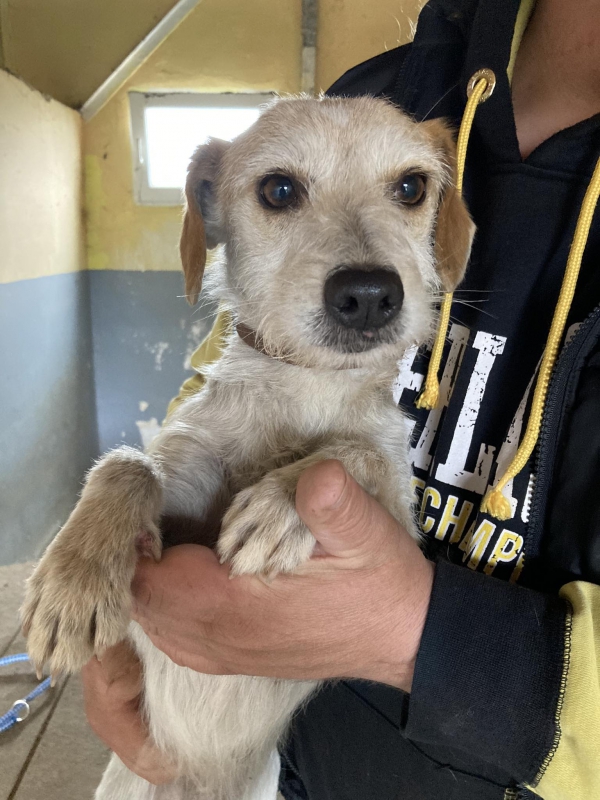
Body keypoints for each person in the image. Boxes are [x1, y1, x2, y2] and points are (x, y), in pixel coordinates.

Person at [82, 0, 600, 797]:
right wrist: (110, 603)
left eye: (408, 189)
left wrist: (412, 632)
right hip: (280, 763)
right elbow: (240, 353)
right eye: (281, 191)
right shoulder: (386, 83)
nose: (366, 280)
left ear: (447, 224)